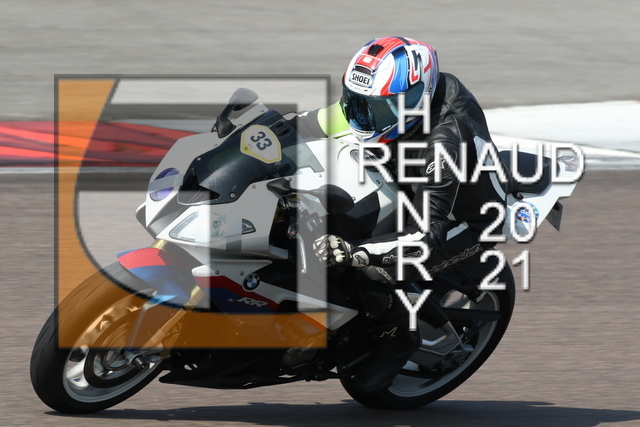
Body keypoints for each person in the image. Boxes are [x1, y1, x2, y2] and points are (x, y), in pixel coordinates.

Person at [288, 36, 505, 394]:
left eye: (379, 109)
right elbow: (313, 123)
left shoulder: (445, 142)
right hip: (409, 181)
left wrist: (355, 252)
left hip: (463, 221)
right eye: (357, 104)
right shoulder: (391, 102)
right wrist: (254, 132)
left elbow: (424, 236)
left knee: (373, 270)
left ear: (416, 98)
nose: (364, 117)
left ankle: (400, 337)